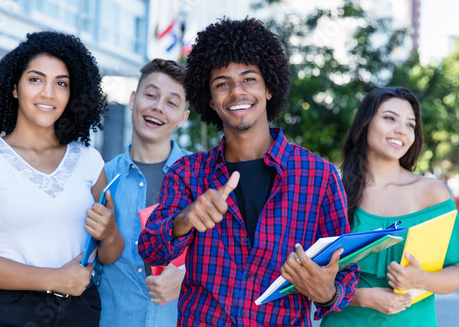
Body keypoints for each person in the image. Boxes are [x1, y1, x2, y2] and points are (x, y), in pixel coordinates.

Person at [138, 18, 359, 326]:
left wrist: (327, 293)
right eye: (222, 84)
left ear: (269, 88)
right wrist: (185, 219)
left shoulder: (318, 176)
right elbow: (151, 250)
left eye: (249, 79)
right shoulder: (187, 173)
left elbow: (346, 273)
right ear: (211, 101)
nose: (236, 92)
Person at [0, 31, 125, 326]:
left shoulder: (89, 161)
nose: (49, 93)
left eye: (61, 83)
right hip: (9, 313)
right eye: (36, 79)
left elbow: (110, 254)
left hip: (80, 311)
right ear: (14, 87)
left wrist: (110, 232)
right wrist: (54, 279)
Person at [320, 86, 459, 326]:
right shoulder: (335, 192)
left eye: (410, 124)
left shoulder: (431, 192)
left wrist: (422, 279)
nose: (401, 130)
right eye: (389, 118)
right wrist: (359, 297)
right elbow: (307, 277)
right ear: (365, 124)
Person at [97, 59, 190, 326]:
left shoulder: (201, 178)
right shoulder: (103, 178)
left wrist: (185, 276)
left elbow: (230, 258)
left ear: (183, 117)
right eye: (151, 95)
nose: (157, 107)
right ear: (133, 99)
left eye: (171, 103)